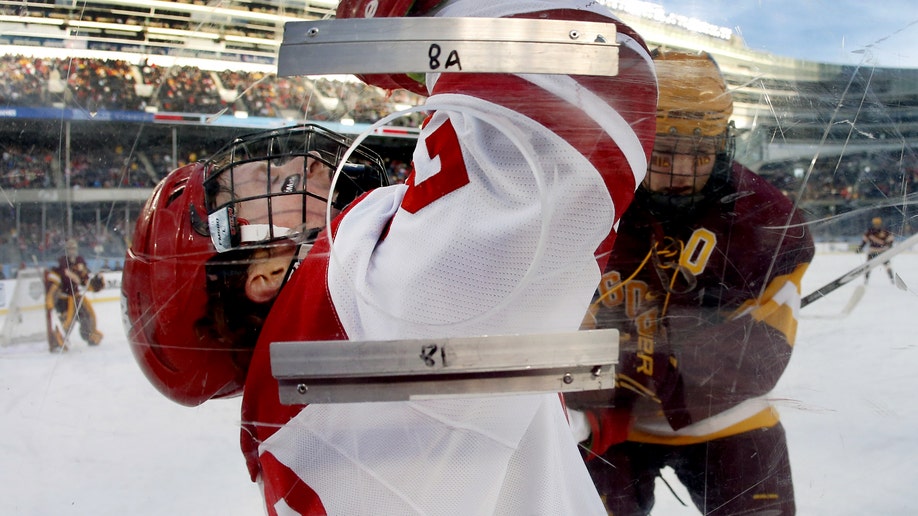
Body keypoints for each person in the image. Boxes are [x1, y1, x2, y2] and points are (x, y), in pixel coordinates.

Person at [122, 0, 658, 514]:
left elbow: (500, 436)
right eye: (275, 181)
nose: (304, 163)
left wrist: (598, 418)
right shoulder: (363, 325)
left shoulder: (316, 419)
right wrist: (432, 22)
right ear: (261, 274)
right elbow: (585, 86)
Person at [566, 50, 815, 515]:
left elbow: (754, 359)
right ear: (638, 140)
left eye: (699, 153)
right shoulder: (588, 199)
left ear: (723, 146)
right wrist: (587, 400)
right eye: (662, 153)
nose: (681, 173)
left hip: (724, 421)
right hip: (604, 420)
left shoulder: (767, 221)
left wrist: (627, 378)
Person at [45, 238, 104, 351]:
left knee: (88, 316)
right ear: (66, 250)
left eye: (74, 248)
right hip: (64, 300)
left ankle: (90, 335)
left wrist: (95, 284)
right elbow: (54, 284)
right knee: (67, 322)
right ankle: (59, 338)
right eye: (70, 248)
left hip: (77, 297)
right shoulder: (62, 264)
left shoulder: (79, 262)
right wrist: (51, 299)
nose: (72, 250)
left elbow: (85, 281)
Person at [858, 216, 895, 283]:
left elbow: (891, 239)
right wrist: (860, 248)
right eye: (876, 223)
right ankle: (866, 280)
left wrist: (890, 245)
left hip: (882, 251)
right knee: (868, 266)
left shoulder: (884, 231)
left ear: (880, 223)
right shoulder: (870, 231)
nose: (877, 225)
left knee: (887, 265)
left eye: (878, 223)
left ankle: (892, 279)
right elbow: (864, 241)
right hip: (873, 251)